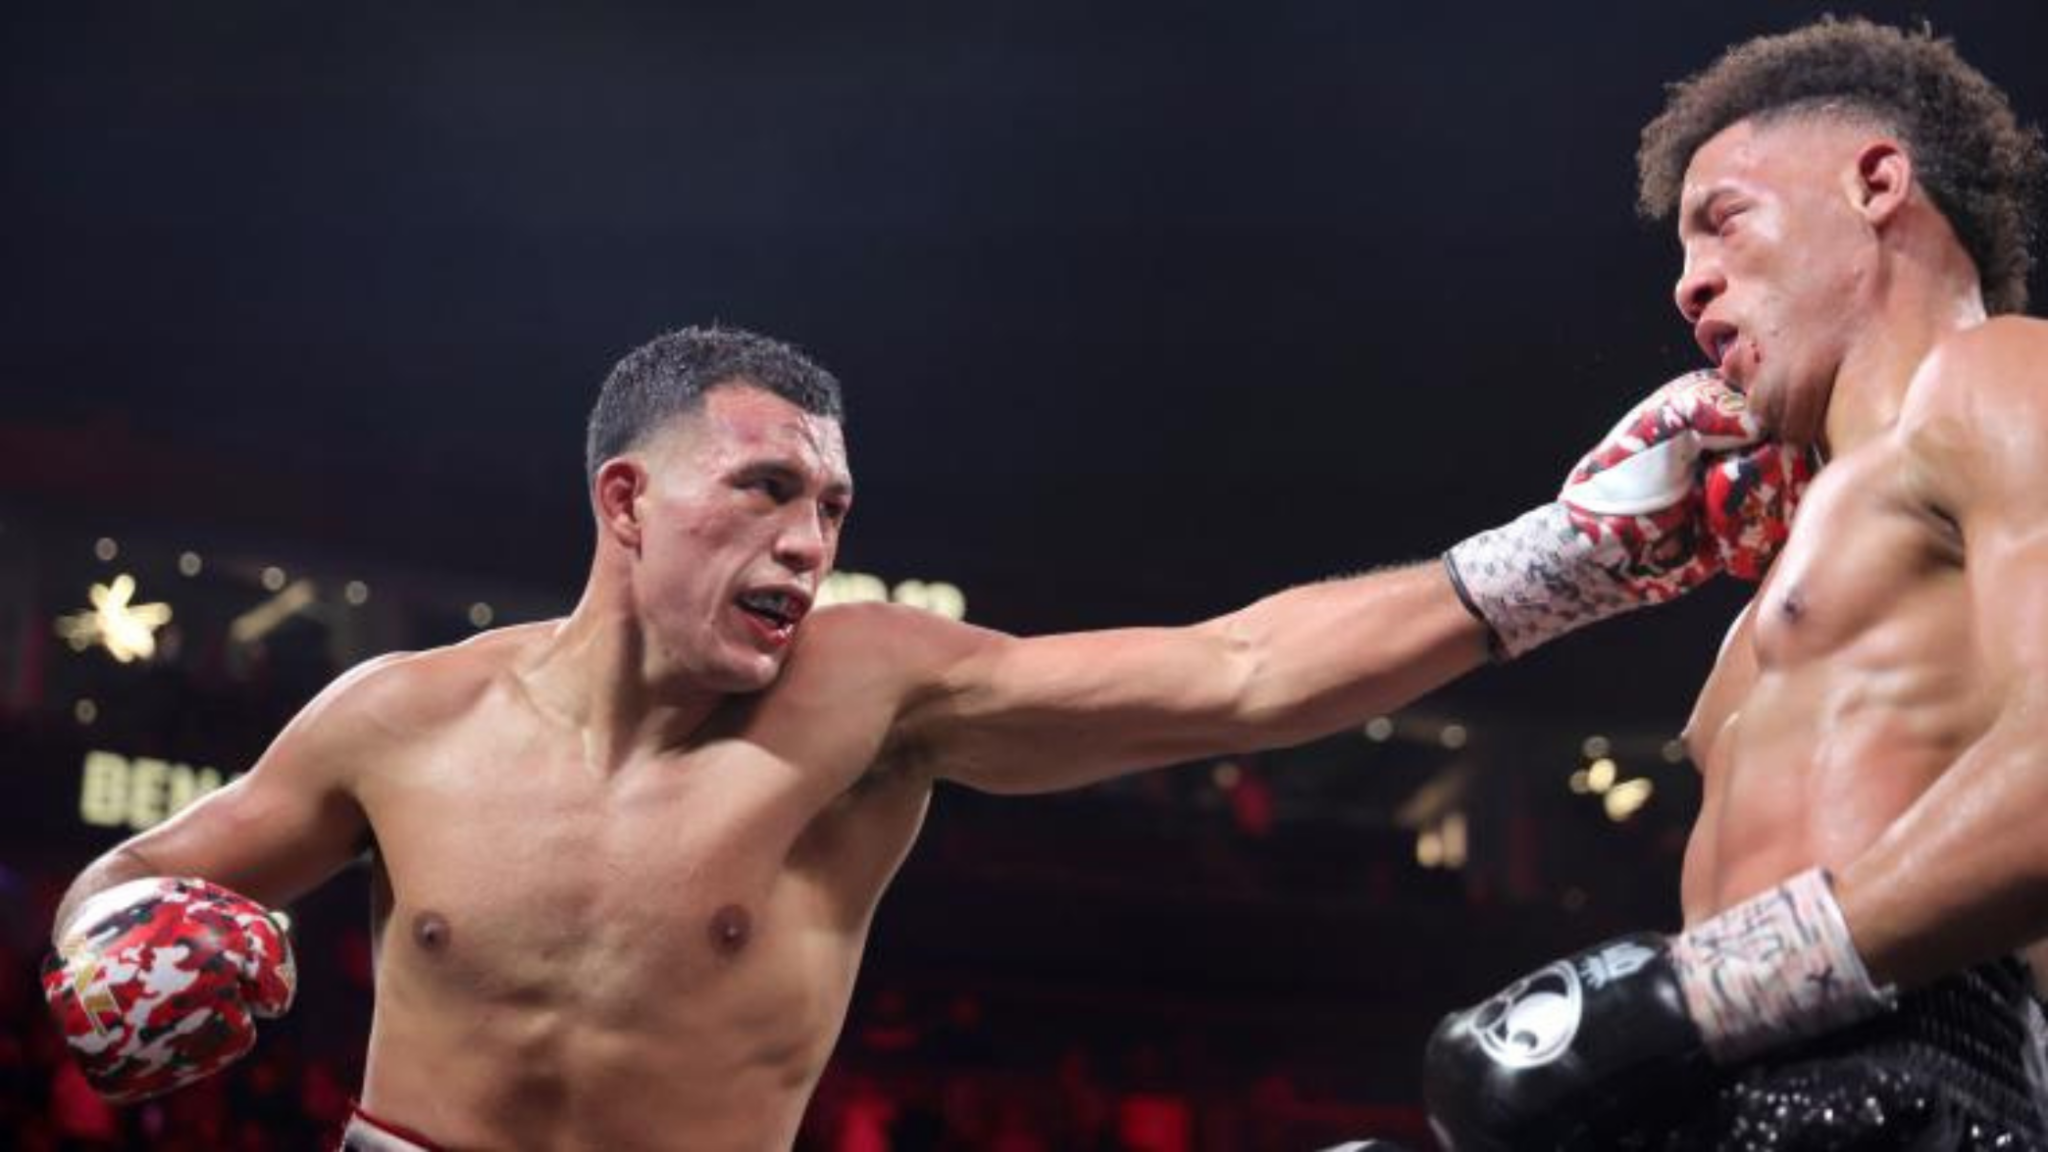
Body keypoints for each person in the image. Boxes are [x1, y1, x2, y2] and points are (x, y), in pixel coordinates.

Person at [40, 325, 1795, 1150]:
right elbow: (129, 880)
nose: (810, 539)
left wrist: (1559, 560)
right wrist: (103, 953)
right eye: (769, 491)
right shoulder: (395, 715)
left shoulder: (872, 693)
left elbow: (1237, 674)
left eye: (835, 502)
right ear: (627, 500)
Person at [1422, 18, 2048, 1151]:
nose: (1686, 285)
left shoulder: (1999, 375)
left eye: (1721, 219)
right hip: (1748, 1096)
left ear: (1874, 183)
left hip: (1928, 1080)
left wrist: (1694, 996)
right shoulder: (1765, 614)